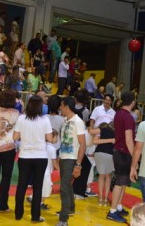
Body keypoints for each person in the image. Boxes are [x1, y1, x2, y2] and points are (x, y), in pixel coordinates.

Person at [13, 95, 53, 222]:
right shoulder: (45, 120)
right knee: (38, 187)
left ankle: (18, 214)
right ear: (40, 107)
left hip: (25, 156)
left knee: (22, 185)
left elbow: (15, 137)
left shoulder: (21, 118)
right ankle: (35, 216)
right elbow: (50, 139)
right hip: (40, 156)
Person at [56, 96, 86, 226]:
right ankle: (71, 208)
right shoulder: (65, 120)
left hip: (72, 158)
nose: (60, 109)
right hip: (64, 157)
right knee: (67, 185)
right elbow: (64, 140)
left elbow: (83, 144)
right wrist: (59, 156)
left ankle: (63, 219)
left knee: (63, 187)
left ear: (66, 107)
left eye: (61, 106)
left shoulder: (78, 122)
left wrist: (78, 164)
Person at [107, 91, 136, 223]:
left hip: (119, 151)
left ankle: (118, 206)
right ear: (133, 102)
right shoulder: (128, 117)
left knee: (124, 182)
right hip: (124, 152)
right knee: (120, 182)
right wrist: (135, 155)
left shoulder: (118, 113)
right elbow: (129, 139)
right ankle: (112, 211)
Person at [26, 129, 60, 210]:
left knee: (40, 187)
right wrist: (60, 170)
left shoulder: (40, 146)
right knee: (47, 190)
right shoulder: (52, 149)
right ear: (51, 137)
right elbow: (54, 163)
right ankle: (39, 203)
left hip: (38, 171)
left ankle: (32, 197)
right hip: (46, 173)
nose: (57, 139)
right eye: (56, 137)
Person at [89, 122, 115, 206]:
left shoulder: (102, 130)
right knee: (108, 176)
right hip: (110, 154)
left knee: (101, 175)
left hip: (99, 153)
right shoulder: (117, 132)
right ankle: (106, 198)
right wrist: (111, 140)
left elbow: (94, 140)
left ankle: (100, 198)